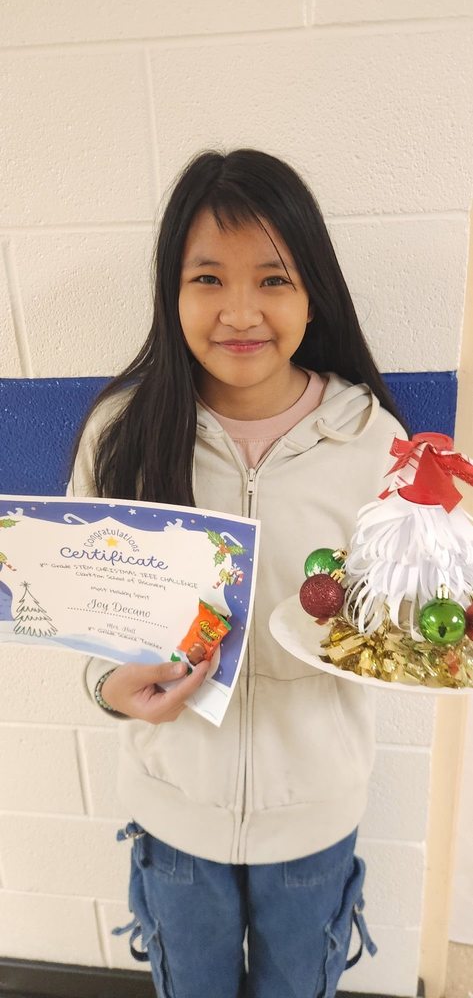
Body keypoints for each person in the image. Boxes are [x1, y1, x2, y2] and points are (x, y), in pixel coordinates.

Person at [69, 148, 408, 998]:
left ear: (311, 291)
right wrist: (110, 689)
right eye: (209, 278)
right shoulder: (122, 432)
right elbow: (92, 631)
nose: (240, 311)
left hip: (314, 817)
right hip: (173, 811)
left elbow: (397, 623)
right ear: (171, 290)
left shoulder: (371, 441)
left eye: (274, 278)